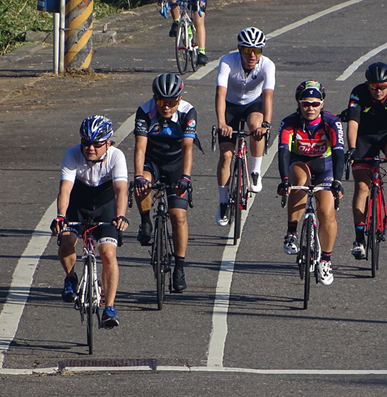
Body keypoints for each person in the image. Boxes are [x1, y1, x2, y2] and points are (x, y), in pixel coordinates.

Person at [50, 115, 129, 328]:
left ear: (109, 143)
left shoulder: (116, 156)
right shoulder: (72, 154)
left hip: (105, 208)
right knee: (66, 240)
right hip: (79, 206)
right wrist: (60, 216)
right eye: (86, 143)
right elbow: (65, 189)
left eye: (97, 144)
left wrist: (120, 216)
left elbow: (121, 190)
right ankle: (71, 277)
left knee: (108, 253)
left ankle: (109, 308)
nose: (90, 148)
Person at [133, 73, 199, 292]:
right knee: (142, 183)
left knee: (178, 216)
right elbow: (140, 147)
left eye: (171, 102)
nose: (166, 107)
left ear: (179, 99)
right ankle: (145, 221)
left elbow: (188, 147)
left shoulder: (188, 112)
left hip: (176, 164)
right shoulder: (145, 111)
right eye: (162, 102)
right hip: (153, 161)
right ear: (155, 98)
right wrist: (138, 177)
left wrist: (186, 177)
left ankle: (179, 267)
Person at [277, 81, 345, 285]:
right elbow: (283, 154)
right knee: (298, 181)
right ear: (298, 103)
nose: (311, 108)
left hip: (325, 166)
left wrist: (338, 181)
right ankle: (291, 232)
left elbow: (339, 154)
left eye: (315, 103)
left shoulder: (332, 123)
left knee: (326, 211)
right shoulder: (289, 123)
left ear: (322, 103)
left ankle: (326, 260)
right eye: (306, 103)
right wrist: (284, 181)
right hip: (300, 162)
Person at [343, 62, 387, 260]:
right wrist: (352, 149)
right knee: (362, 188)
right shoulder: (358, 92)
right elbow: (353, 123)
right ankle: (358, 239)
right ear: (368, 85)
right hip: (364, 136)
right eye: (374, 87)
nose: (378, 90)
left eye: (382, 87)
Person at [215, 27, 275, 226]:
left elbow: (267, 96)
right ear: (239, 49)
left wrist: (266, 124)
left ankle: (255, 173)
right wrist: (222, 123)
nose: (252, 55)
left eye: (257, 51)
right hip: (230, 105)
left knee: (256, 125)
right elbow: (221, 94)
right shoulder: (227, 61)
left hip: (253, 104)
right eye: (248, 50)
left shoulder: (267, 65)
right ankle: (223, 202)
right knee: (225, 155)